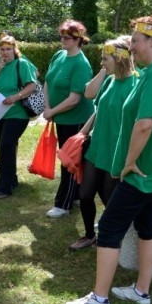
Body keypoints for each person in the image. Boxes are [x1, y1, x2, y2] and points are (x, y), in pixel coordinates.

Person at [65, 13, 152, 304]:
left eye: (135, 41)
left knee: (108, 227)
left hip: (144, 171)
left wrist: (129, 162)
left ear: (151, 42)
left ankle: (99, 299)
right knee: (146, 225)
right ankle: (141, 291)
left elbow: (145, 124)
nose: (131, 47)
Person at [70, 38, 137, 250]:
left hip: (116, 151)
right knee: (85, 194)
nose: (102, 63)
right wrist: (81, 134)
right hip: (97, 147)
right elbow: (94, 104)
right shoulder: (109, 80)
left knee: (110, 199)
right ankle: (90, 235)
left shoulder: (135, 83)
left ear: (119, 59)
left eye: (105, 59)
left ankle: (121, 238)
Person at [43, 20, 94, 218]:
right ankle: (74, 195)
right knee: (67, 159)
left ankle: (63, 204)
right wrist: (48, 109)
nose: (62, 40)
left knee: (70, 160)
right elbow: (48, 81)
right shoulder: (59, 55)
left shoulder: (81, 64)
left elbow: (74, 99)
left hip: (76, 119)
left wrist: (53, 111)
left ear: (78, 40)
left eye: (67, 37)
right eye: (62, 36)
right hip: (60, 118)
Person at [0, 36, 38, 198]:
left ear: (14, 49)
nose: (5, 52)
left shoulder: (22, 64)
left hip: (18, 112)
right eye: (2, 49)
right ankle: (12, 178)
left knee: (7, 144)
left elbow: (32, 85)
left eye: (8, 49)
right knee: (2, 146)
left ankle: (5, 186)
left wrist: (16, 97)